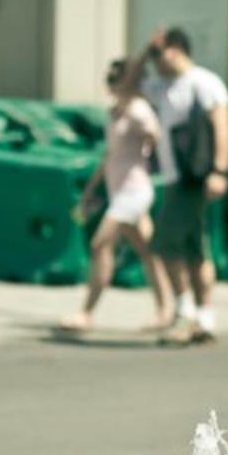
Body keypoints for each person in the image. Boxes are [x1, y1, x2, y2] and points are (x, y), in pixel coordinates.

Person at [130, 27, 228, 346]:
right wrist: (145, 54)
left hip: (194, 176)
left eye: (160, 53)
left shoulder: (204, 83)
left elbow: (222, 126)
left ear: (176, 49)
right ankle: (204, 318)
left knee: (164, 243)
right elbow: (128, 86)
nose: (157, 61)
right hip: (176, 177)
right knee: (194, 250)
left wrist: (220, 169)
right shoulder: (162, 86)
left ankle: (185, 311)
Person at [60, 57, 172, 334]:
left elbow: (156, 136)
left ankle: (87, 313)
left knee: (100, 245)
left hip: (134, 191)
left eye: (116, 82)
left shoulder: (138, 110)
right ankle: (167, 309)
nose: (111, 87)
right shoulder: (116, 113)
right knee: (148, 251)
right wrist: (91, 189)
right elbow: (110, 155)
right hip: (117, 188)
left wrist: (148, 146)